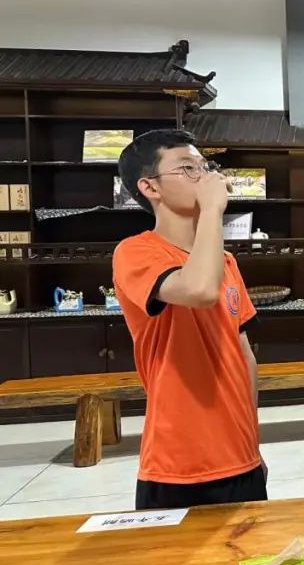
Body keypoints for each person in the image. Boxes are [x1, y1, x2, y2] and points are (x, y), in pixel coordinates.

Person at [113, 129, 265, 510]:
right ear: (150, 187)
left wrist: (253, 442)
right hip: (175, 464)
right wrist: (212, 209)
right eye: (187, 168)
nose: (205, 177)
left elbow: (245, 356)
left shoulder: (226, 262)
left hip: (240, 456)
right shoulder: (135, 252)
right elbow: (199, 289)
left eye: (205, 167)